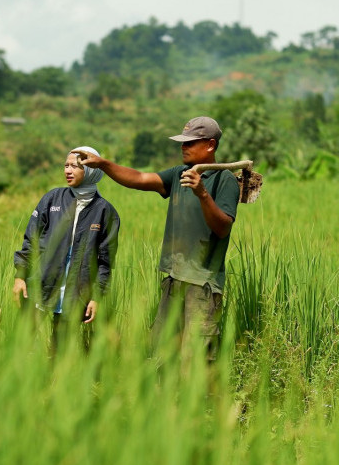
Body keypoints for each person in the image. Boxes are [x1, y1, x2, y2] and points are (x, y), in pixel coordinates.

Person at [74, 117, 239, 361]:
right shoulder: (179, 174)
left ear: (211, 145)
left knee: (195, 360)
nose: (184, 147)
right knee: (163, 353)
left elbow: (223, 228)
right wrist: (103, 164)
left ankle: (199, 400)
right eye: (182, 143)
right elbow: (140, 179)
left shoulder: (224, 180)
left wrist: (202, 193)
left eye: (191, 143)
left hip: (201, 284)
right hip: (173, 279)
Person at [13, 146, 120, 353]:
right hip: (40, 284)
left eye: (75, 166)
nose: (68, 171)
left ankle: (55, 383)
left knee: (60, 350)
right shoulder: (52, 199)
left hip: (75, 291)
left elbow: (105, 262)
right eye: (66, 165)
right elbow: (31, 240)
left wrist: (97, 296)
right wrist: (20, 276)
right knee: (21, 342)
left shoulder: (105, 211)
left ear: (91, 171)